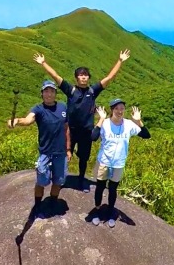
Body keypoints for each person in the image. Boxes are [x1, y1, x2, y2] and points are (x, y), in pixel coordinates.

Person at [34, 49, 130, 192]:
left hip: (86, 131)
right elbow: (55, 76)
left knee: (84, 158)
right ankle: (61, 179)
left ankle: (81, 180)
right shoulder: (70, 90)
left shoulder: (93, 91)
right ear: (76, 78)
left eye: (85, 75)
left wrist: (120, 60)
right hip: (70, 131)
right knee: (65, 154)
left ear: (88, 78)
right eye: (80, 75)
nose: (83, 77)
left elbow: (110, 77)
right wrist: (43, 63)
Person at [8, 79, 72, 218]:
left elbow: (66, 129)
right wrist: (17, 121)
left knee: (58, 180)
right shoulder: (38, 108)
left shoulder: (63, 107)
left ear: (55, 93)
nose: (49, 94)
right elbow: (28, 120)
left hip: (60, 153)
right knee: (41, 181)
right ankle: (37, 205)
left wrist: (68, 149)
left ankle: (53, 202)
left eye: (52, 91)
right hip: (45, 152)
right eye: (46, 91)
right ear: (42, 94)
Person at [90, 99, 150, 227]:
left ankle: (110, 212)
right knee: (99, 187)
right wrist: (101, 119)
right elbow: (93, 137)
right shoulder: (105, 124)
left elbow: (146, 135)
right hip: (104, 162)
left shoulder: (128, 125)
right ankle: (97, 210)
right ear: (112, 110)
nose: (119, 111)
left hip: (118, 164)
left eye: (122, 108)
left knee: (113, 189)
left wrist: (138, 121)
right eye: (116, 108)